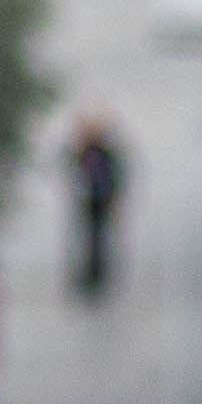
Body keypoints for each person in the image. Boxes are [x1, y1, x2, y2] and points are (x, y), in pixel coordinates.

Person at [65, 106, 129, 302]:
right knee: (85, 238)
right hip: (86, 201)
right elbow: (72, 171)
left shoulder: (106, 153)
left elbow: (117, 175)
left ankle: (99, 276)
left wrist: (114, 195)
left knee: (99, 239)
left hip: (102, 200)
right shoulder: (83, 152)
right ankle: (86, 276)